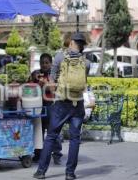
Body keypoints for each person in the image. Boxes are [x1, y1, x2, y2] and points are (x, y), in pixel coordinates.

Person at [33, 32, 90, 180]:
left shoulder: (59, 57)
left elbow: (51, 79)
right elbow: (83, 81)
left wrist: (56, 91)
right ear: (82, 45)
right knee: (75, 139)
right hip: (78, 104)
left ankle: (41, 171)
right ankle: (70, 173)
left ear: (71, 42)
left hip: (61, 103)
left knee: (51, 136)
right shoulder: (86, 62)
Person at [30, 53, 62, 165]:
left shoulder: (55, 75)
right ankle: (38, 153)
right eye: (42, 62)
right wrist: (35, 81)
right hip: (38, 106)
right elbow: (29, 87)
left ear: (51, 63)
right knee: (38, 130)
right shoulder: (35, 74)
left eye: (47, 62)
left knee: (53, 131)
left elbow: (54, 88)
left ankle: (57, 154)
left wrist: (44, 84)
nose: (44, 65)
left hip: (51, 106)